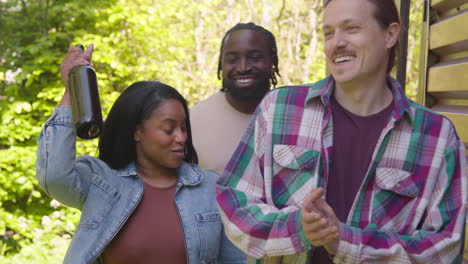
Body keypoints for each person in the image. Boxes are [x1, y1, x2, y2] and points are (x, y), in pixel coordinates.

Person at [216, 0, 467, 263]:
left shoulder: (436, 137)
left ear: (390, 34)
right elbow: (234, 202)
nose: (336, 43)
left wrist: (346, 243)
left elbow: (445, 248)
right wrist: (296, 228)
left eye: (351, 28)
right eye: (328, 33)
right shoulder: (279, 109)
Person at [35, 45, 246, 264]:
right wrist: (72, 92)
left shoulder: (212, 189)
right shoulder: (101, 181)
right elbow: (54, 176)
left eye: (183, 128)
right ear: (136, 131)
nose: (181, 137)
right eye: (168, 129)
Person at [190, 22, 280, 174]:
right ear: (221, 64)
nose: (243, 68)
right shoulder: (192, 122)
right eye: (232, 60)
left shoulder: (294, 116)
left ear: (272, 61)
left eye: (254, 58)